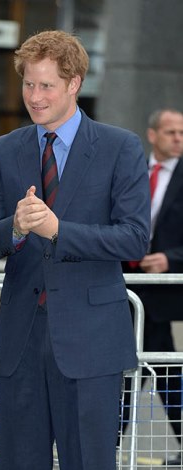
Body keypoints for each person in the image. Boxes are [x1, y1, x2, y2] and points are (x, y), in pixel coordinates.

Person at [0, 30, 150, 470]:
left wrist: (57, 229)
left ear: (75, 83)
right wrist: (13, 228)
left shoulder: (119, 147)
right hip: (21, 342)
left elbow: (135, 238)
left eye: (46, 85)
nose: (35, 96)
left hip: (92, 343)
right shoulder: (3, 151)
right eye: (28, 84)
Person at [122, 108, 183, 465]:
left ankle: (108, 441)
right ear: (152, 135)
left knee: (155, 370)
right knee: (135, 368)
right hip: (122, 286)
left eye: (182, 132)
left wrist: (170, 259)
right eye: (171, 131)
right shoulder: (131, 171)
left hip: (160, 293)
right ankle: (107, 442)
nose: (178, 138)